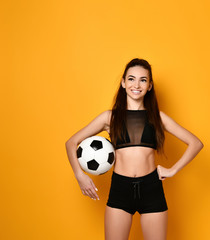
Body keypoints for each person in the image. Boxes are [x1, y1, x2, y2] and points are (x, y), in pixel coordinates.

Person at [65, 58, 204, 240]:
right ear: (123, 83)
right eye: (131, 79)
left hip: (151, 189)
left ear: (150, 86)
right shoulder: (110, 117)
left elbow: (196, 143)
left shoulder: (158, 118)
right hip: (120, 189)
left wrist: (173, 170)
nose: (136, 84)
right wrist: (79, 175)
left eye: (143, 80)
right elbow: (71, 143)